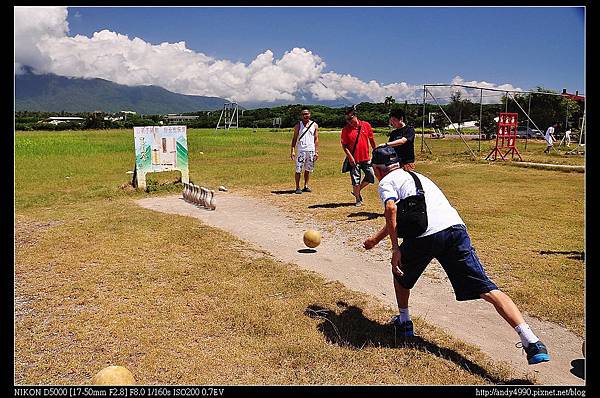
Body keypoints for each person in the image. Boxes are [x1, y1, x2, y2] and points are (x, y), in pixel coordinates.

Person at [362, 145, 550, 365]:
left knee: (400, 272)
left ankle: (404, 322)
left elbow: (392, 210)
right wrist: (376, 239)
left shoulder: (386, 182)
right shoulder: (416, 176)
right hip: (455, 230)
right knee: (485, 287)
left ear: (377, 169)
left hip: (425, 237)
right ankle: (532, 341)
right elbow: (405, 215)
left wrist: (395, 249)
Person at [341, 107, 377, 207]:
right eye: (347, 120)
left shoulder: (366, 125)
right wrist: (350, 157)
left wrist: (376, 150)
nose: (349, 122)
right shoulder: (345, 130)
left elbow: (372, 139)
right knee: (355, 180)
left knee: (371, 176)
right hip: (354, 160)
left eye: (350, 119)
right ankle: (357, 199)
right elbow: (344, 146)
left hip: (366, 158)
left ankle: (357, 191)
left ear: (355, 116)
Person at [290, 107, 319, 194]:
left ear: (310, 114)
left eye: (307, 114)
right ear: (301, 116)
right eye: (303, 114)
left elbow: (316, 139)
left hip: (311, 150)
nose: (305, 116)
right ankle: (297, 187)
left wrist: (316, 151)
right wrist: (292, 150)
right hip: (301, 150)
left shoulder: (314, 125)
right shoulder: (298, 126)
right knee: (298, 169)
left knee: (308, 169)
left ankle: (306, 186)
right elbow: (294, 139)